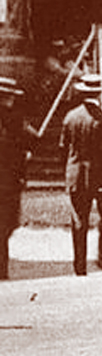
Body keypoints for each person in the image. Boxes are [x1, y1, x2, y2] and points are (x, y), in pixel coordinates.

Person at [60, 75, 102, 275]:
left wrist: (68, 170)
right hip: (100, 176)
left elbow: (63, 149)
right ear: (98, 93)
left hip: (76, 174)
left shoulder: (70, 117)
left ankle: (80, 265)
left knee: (79, 219)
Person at [0, 78, 27, 278]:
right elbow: (20, 153)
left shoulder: (14, 120)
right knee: (6, 225)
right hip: (8, 182)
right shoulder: (15, 121)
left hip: (9, 180)